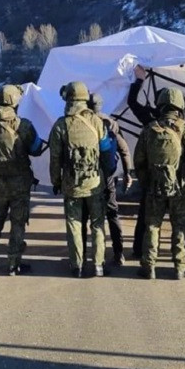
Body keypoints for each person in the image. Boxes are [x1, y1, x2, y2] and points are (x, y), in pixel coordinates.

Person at [127, 60, 185, 261]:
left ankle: (139, 250)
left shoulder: (149, 120)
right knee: (182, 219)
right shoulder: (181, 122)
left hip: (154, 180)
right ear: (177, 103)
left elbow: (132, 102)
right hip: (179, 181)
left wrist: (139, 80)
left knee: (147, 218)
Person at [49, 81, 112, 278]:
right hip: (95, 183)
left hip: (71, 184)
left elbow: (55, 159)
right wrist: (107, 176)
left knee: (74, 224)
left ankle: (76, 265)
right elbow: (106, 152)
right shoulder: (96, 121)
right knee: (98, 224)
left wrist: (56, 182)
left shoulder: (61, 125)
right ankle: (99, 265)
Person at [0, 85, 45, 275]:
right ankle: (13, 263)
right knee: (18, 223)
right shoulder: (22, 125)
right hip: (19, 182)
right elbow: (35, 149)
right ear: (15, 101)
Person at [134, 88, 185, 280]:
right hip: (180, 187)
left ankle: (149, 266)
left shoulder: (149, 130)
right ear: (179, 106)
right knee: (180, 225)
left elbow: (139, 161)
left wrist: (147, 181)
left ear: (160, 105)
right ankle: (179, 267)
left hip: (155, 186)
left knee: (152, 226)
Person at [79, 93, 132, 266]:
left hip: (87, 177)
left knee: (85, 217)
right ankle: (118, 254)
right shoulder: (111, 123)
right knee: (112, 214)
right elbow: (124, 150)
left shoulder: (80, 122)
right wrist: (127, 173)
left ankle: (83, 256)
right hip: (108, 177)